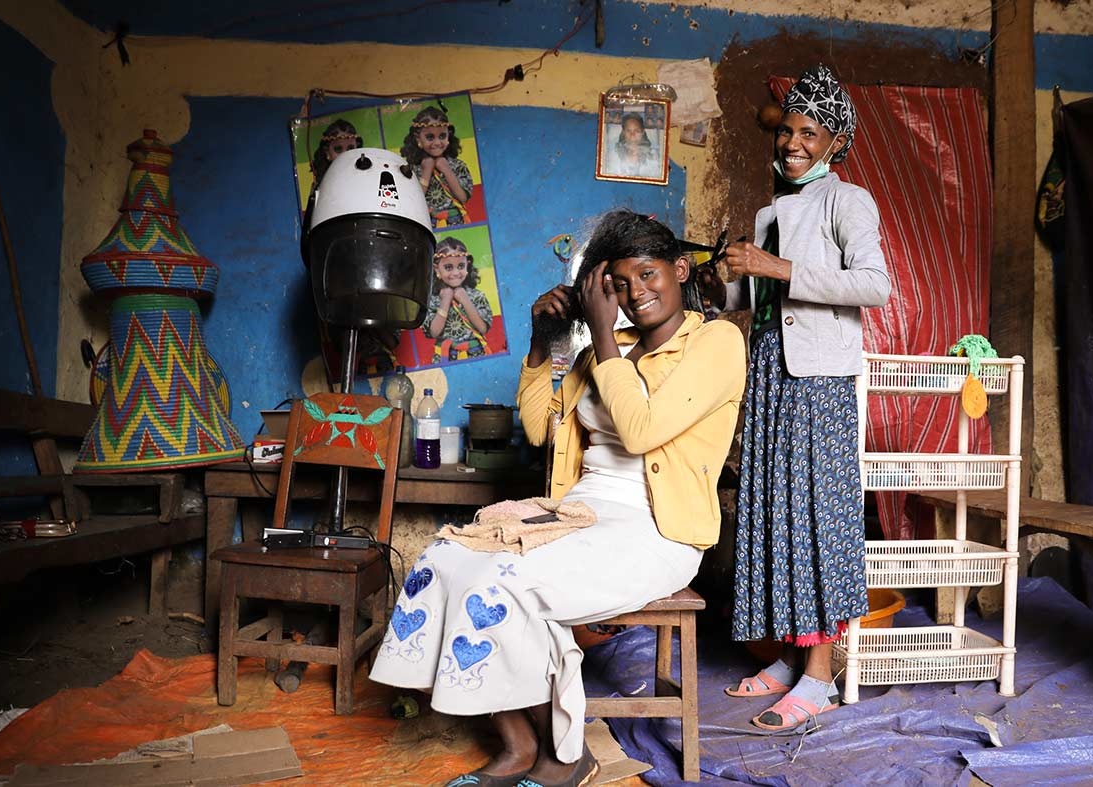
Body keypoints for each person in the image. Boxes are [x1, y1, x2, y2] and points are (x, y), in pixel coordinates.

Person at [369, 210, 746, 787]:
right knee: (445, 561)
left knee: (508, 586)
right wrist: (541, 344)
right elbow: (542, 429)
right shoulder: (606, 351)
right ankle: (518, 745)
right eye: (618, 284)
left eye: (648, 275)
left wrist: (598, 332)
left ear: (680, 269)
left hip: (655, 528)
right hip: (581, 511)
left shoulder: (716, 342)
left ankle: (567, 756)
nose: (635, 293)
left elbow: (643, 430)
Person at [722, 64, 891, 732]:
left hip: (818, 380)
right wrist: (722, 278)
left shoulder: (847, 202)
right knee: (772, 513)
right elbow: (753, 301)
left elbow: (875, 285)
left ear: (835, 143)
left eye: (809, 133)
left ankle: (820, 676)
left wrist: (774, 267)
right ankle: (791, 661)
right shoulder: (770, 211)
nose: (793, 143)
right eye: (788, 130)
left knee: (817, 518)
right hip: (768, 373)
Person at [422, 237, 495, 363]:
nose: (456, 273)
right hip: (445, 357)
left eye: (461, 266)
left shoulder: (476, 296)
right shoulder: (432, 300)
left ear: (468, 265)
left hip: (476, 355)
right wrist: (445, 300)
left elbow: (482, 329)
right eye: (448, 268)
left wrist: (465, 300)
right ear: (436, 269)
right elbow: (434, 332)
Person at [400, 104, 475, 227]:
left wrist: (446, 170)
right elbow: (413, 201)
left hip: (455, 222)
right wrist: (426, 171)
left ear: (448, 136)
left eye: (442, 136)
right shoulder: (412, 169)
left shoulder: (457, 165)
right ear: (418, 139)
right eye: (430, 137)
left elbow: (462, 198)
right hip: (426, 224)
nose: (437, 143)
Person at [603, 113, 660, 179]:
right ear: (623, 132)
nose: (632, 135)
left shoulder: (653, 155)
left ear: (643, 132)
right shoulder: (613, 154)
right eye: (628, 131)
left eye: (637, 131)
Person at [310, 118, 362, 187]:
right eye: (338, 149)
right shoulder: (321, 186)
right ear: (327, 152)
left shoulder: (368, 177)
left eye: (350, 149)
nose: (345, 155)